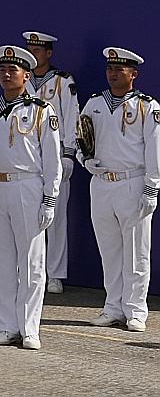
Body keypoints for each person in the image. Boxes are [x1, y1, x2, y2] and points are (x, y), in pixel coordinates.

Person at [0, 44, 61, 350]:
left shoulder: (41, 111)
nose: (6, 74)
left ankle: (29, 328)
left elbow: (52, 159)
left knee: (30, 261)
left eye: (13, 70)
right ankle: (7, 325)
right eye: (2, 69)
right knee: (2, 261)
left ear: (27, 75)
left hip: (28, 185)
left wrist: (49, 198)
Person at [76, 46, 158, 333]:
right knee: (109, 250)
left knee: (136, 251)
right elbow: (81, 138)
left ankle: (136, 310)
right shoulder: (95, 103)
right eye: (110, 69)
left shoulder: (148, 106)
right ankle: (113, 306)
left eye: (119, 69)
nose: (112, 73)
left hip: (132, 182)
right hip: (102, 183)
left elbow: (155, 149)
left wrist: (152, 188)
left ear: (133, 74)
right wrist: (86, 161)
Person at [22, 30, 77, 294]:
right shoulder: (22, 79)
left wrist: (69, 154)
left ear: (48, 53)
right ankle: (31, 270)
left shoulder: (62, 81)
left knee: (55, 218)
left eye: (39, 50)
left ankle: (55, 273)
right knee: (27, 219)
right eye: (30, 49)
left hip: (56, 157)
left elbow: (72, 118)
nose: (34, 54)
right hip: (28, 158)